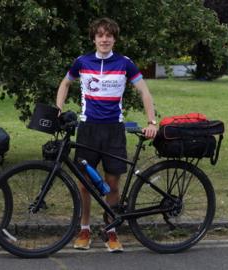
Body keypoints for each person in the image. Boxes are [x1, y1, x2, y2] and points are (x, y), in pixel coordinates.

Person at [55, 17, 157, 253]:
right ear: (94, 38)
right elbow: (64, 84)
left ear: (114, 39)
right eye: (100, 35)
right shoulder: (82, 62)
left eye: (108, 35)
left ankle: (111, 230)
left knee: (112, 184)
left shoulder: (125, 63)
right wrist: (58, 109)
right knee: (85, 184)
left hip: (113, 130)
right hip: (88, 129)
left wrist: (152, 121)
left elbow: (144, 92)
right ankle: (84, 229)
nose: (104, 39)